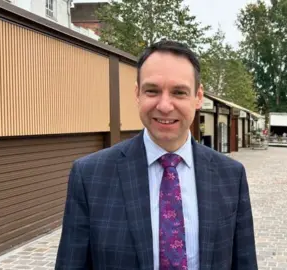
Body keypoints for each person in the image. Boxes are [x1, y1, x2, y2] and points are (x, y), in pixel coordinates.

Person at [55, 40, 258, 270]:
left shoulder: (231, 176)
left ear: (198, 97)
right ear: (137, 94)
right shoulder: (90, 176)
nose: (164, 105)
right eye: (152, 91)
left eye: (179, 92)